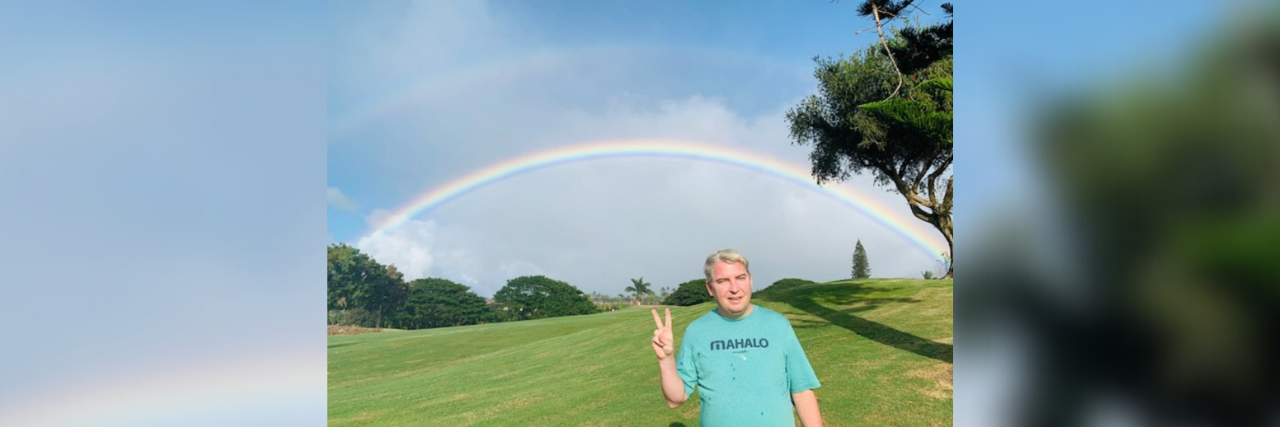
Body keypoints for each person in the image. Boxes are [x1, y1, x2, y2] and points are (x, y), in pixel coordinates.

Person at [651, 249, 824, 426]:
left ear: (750, 280)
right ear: (710, 288)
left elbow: (802, 391)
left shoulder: (778, 325)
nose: (734, 289)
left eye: (740, 278)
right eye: (723, 281)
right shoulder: (697, 331)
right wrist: (666, 359)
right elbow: (676, 399)